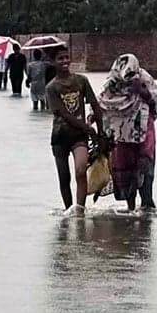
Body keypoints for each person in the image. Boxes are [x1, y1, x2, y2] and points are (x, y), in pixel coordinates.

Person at [98, 54, 157, 211]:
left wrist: (142, 91)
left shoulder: (144, 78)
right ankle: (131, 208)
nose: (130, 77)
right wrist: (92, 120)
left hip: (143, 132)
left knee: (144, 167)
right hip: (121, 137)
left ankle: (147, 204)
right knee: (125, 170)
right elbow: (101, 103)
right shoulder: (112, 83)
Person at [46, 45, 105, 216]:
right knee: (64, 177)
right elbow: (62, 114)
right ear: (53, 62)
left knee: (80, 170)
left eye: (66, 57)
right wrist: (87, 128)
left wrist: (100, 133)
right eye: (60, 59)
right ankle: (68, 211)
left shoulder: (81, 81)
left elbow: (95, 105)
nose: (64, 61)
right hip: (60, 137)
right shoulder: (52, 88)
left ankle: (79, 211)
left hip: (79, 137)